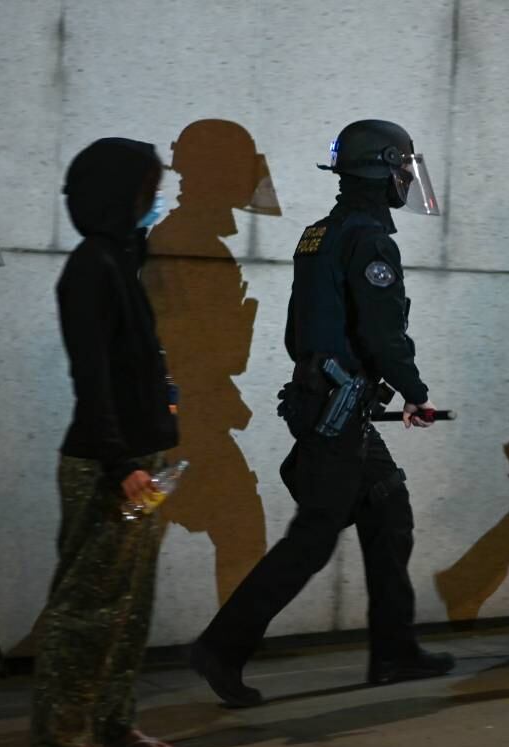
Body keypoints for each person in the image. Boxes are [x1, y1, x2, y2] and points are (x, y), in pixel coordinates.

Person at [189, 119, 455, 707]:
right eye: (402, 167)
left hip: (327, 398)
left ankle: (395, 652)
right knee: (312, 539)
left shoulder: (320, 232)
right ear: (381, 169)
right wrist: (414, 392)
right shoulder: (370, 239)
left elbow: (302, 325)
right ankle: (222, 646)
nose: (407, 178)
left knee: (388, 507)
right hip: (339, 406)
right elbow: (382, 332)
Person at [30, 138, 183, 747]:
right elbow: (90, 379)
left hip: (137, 456)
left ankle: (115, 725)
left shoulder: (119, 258)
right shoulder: (92, 266)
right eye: (146, 190)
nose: (155, 202)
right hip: (106, 463)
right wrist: (122, 463)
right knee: (87, 606)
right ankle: (63, 737)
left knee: (129, 602)